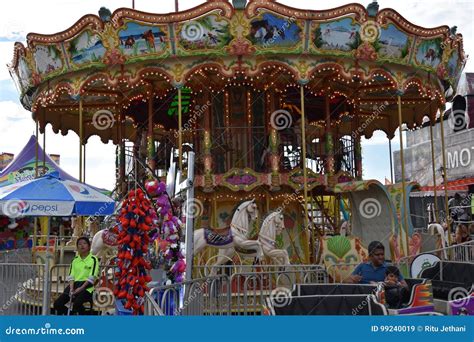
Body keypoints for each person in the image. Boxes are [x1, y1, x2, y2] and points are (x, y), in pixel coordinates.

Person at [53, 237, 99, 315]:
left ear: (89, 246)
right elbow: (71, 276)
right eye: (79, 244)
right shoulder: (75, 260)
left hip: (87, 287)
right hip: (74, 285)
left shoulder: (93, 259)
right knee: (57, 304)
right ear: (77, 247)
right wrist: (71, 288)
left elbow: (92, 277)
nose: (82, 246)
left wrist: (80, 288)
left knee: (77, 304)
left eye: (84, 243)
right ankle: (72, 315)